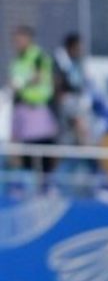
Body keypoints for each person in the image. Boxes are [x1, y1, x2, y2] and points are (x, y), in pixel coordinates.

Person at [8, 26, 57, 176]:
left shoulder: (38, 56)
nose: (18, 43)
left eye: (20, 39)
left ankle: (46, 183)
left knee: (43, 150)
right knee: (23, 152)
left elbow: (40, 76)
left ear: (28, 39)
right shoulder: (17, 60)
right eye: (16, 40)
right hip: (22, 110)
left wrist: (22, 82)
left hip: (38, 110)